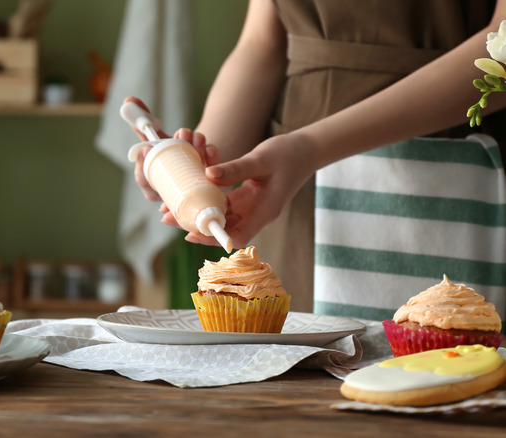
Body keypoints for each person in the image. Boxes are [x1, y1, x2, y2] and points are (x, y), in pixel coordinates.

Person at [129, 0, 506, 317]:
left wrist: (308, 149)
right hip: (288, 194)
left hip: (448, 162)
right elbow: (262, 44)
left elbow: (502, 48)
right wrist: (202, 167)